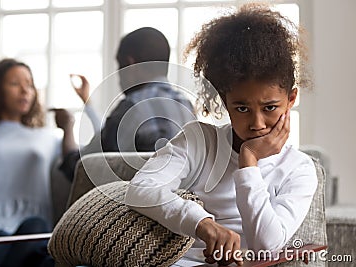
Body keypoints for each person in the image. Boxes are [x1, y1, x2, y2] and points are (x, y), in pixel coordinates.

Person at [125, 4, 317, 266]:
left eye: (270, 107)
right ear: (225, 101)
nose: (257, 123)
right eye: (242, 108)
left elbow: (267, 246)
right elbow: (140, 189)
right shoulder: (199, 141)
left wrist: (248, 162)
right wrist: (201, 222)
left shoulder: (299, 169)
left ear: (291, 98)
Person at [0, 58, 75, 267]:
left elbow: (76, 165)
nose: (24, 90)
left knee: (37, 228)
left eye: (29, 84)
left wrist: (69, 128)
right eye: (14, 84)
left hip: (28, 221)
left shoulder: (46, 137)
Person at [59, 27, 195, 180]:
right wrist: (88, 104)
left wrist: (67, 127)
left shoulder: (131, 107)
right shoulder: (186, 106)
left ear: (130, 66)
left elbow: (80, 167)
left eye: (119, 65)